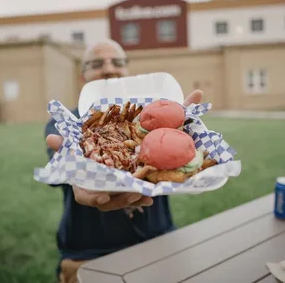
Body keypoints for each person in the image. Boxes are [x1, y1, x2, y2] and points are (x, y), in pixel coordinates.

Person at [45, 38, 203, 283]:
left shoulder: (149, 116)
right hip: (90, 253)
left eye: (117, 61)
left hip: (159, 241)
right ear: (82, 75)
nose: (109, 68)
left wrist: (178, 126)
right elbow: (60, 166)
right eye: (97, 63)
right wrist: (77, 170)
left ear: (127, 71)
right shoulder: (66, 124)